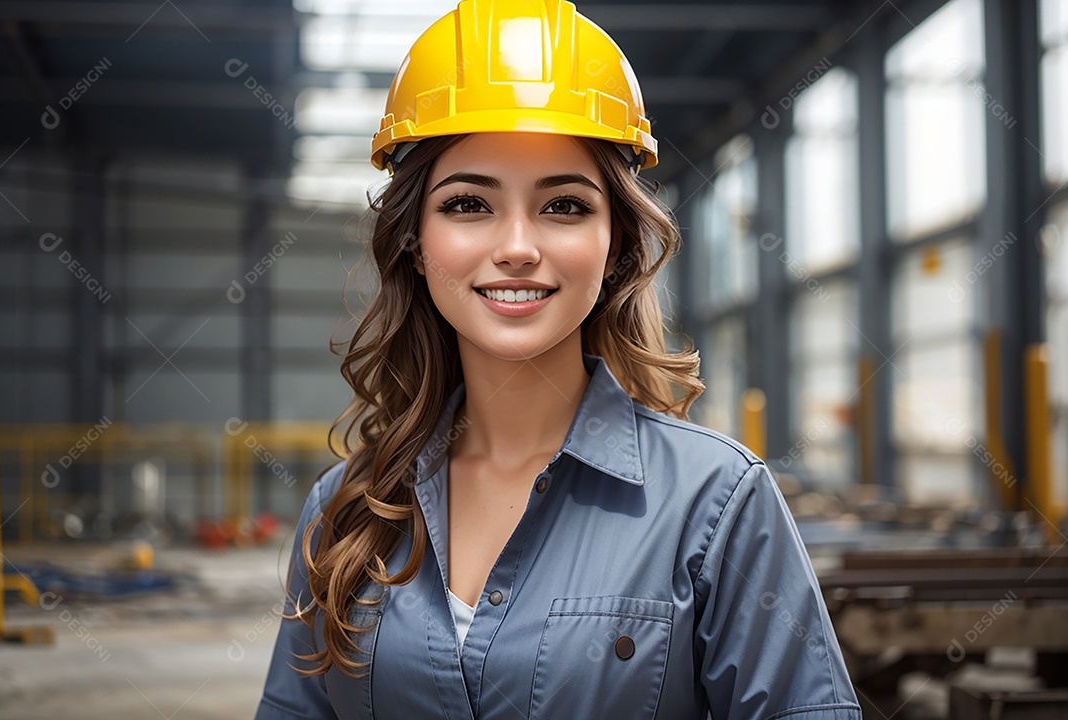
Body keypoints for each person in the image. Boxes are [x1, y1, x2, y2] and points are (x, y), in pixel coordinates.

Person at [255, 1, 862, 718]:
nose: (516, 245)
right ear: (414, 244)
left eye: (565, 206)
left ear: (617, 248)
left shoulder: (718, 504)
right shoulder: (347, 512)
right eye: (468, 204)